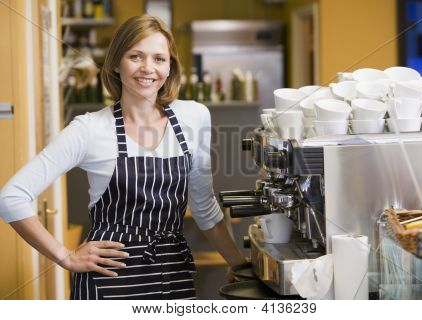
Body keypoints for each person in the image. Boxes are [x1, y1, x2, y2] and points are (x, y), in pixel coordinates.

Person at [0, 15, 246, 300]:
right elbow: (11, 197)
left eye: (159, 58)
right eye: (136, 56)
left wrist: (239, 265)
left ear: (170, 67)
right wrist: (65, 257)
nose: (148, 68)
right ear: (116, 63)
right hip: (109, 280)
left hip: (174, 275)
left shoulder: (194, 116)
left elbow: (203, 206)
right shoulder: (89, 128)